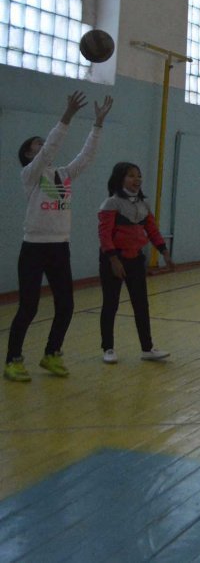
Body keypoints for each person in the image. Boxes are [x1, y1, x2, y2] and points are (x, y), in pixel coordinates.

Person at [4, 91, 113, 383]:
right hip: (34, 249)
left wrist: (98, 124)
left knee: (66, 305)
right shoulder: (30, 175)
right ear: (29, 155)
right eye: (36, 145)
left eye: (42, 142)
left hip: (59, 248)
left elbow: (86, 156)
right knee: (28, 307)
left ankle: (51, 353)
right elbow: (50, 148)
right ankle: (13, 359)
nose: (42, 145)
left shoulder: (63, 175)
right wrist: (67, 116)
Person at [97, 162, 174, 362]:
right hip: (114, 259)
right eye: (131, 176)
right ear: (120, 179)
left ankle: (147, 348)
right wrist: (114, 260)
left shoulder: (143, 204)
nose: (137, 179)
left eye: (138, 176)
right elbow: (105, 235)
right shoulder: (111, 203)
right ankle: (108, 348)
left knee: (141, 305)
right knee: (111, 303)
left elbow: (152, 230)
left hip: (136, 259)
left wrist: (164, 251)